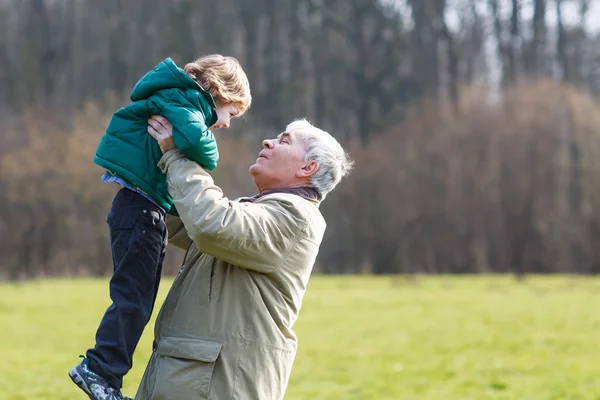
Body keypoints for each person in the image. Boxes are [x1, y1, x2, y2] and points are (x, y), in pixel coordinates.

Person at [69, 55, 251, 400]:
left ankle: (105, 373)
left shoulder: (180, 100)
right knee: (132, 299)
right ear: (218, 91)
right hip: (139, 212)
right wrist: (203, 147)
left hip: (142, 212)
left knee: (138, 300)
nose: (226, 124)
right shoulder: (184, 101)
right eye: (231, 113)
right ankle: (99, 370)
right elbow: (202, 148)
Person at [132, 115, 353, 400]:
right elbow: (187, 220)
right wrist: (150, 166)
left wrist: (176, 157)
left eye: (284, 141)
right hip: (193, 380)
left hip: (215, 386)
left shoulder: (295, 217)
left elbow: (210, 224)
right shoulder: (261, 210)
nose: (268, 141)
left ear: (308, 167)